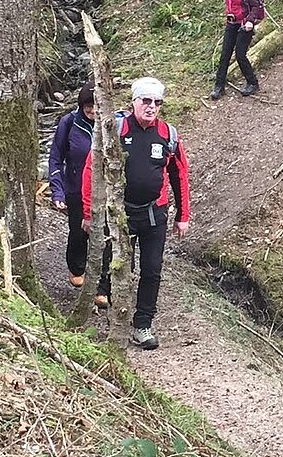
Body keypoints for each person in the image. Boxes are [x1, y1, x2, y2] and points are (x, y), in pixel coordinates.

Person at [81, 77, 190, 351]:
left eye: (157, 102)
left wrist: (183, 216)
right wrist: (89, 212)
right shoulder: (117, 129)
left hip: (155, 213)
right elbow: (92, 168)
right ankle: (118, 320)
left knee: (152, 270)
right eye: (146, 101)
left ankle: (143, 324)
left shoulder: (168, 135)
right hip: (121, 213)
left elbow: (180, 175)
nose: (152, 107)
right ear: (134, 102)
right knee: (120, 268)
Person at [48, 83, 110, 307]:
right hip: (75, 188)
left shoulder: (111, 124)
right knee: (78, 232)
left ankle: (103, 287)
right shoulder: (69, 123)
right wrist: (57, 190)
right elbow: (56, 157)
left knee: (106, 238)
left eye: (96, 106)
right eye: (88, 106)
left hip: (106, 191)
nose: (92, 110)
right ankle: (76, 267)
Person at [210, 0, 262, 100]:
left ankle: (252, 82)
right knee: (225, 55)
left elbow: (256, 5)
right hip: (231, 24)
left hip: (244, 25)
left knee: (240, 55)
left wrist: (250, 21)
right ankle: (219, 86)